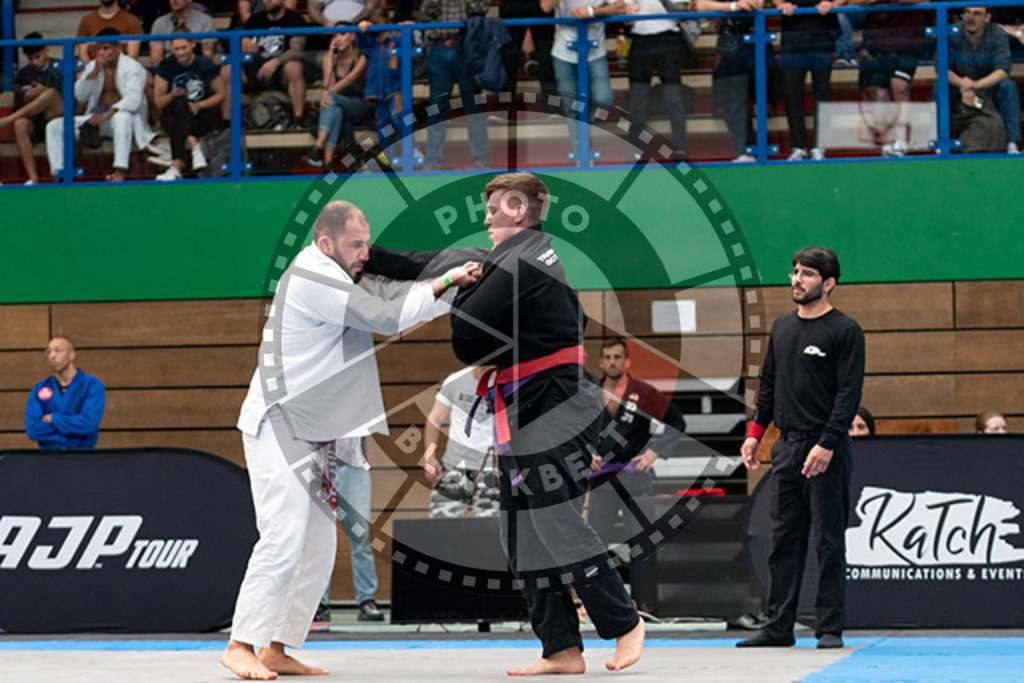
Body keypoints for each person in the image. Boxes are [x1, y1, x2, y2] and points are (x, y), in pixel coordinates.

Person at [219, 200, 480, 680]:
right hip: (281, 423)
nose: (366, 253)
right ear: (325, 243)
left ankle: (277, 647)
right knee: (283, 535)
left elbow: (399, 307)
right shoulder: (312, 276)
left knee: (318, 547)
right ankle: (240, 643)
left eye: (366, 242)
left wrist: (449, 289)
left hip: (318, 429)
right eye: (356, 244)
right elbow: (385, 317)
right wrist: (446, 280)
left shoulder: (339, 274)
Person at [449, 172, 645, 675]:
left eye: (494, 209)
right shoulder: (526, 271)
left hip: (557, 403)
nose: (486, 219)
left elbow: (470, 333)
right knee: (520, 533)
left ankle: (625, 622)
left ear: (520, 210)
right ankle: (560, 648)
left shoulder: (532, 261)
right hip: (525, 406)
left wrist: (455, 290)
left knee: (555, 518)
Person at [737, 246, 864, 650]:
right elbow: (769, 385)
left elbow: (848, 396)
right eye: (794, 271)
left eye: (807, 273)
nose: (796, 279)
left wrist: (827, 444)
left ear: (829, 283)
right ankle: (779, 626)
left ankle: (829, 627)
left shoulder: (845, 331)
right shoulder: (781, 327)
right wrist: (755, 433)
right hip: (787, 448)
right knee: (783, 542)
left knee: (828, 541)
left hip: (827, 450)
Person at [588, 337, 685, 611]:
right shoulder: (589, 394)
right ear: (600, 362)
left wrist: (654, 452)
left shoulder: (642, 393)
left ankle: (645, 602)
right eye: (608, 357)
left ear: (627, 361)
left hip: (635, 477)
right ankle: (598, 602)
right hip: (601, 479)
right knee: (595, 542)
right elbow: (572, 429)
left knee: (641, 541)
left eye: (617, 357)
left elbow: (676, 420)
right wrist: (585, 452)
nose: (612, 362)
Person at [45, 28, 158, 183]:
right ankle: (60, 174)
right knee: (54, 126)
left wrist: (106, 115)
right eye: (99, 48)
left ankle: (119, 172)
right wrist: (95, 72)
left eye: (106, 48)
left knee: (123, 117)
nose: (102, 53)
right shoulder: (93, 66)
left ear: (118, 47)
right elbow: (80, 95)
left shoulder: (132, 67)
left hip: (119, 121)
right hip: (95, 118)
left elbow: (133, 100)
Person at [541, 0, 637, 154]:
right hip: (563, 52)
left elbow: (622, 7)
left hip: (595, 51)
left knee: (603, 99)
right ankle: (582, 153)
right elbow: (546, 6)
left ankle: (586, 122)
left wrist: (591, 11)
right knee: (571, 107)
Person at [311, 437, 384, 631]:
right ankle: (319, 602)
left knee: (361, 537)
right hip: (319, 463)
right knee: (319, 539)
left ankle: (367, 599)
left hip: (354, 465)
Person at [416, 0, 491, 170]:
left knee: (473, 106)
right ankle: (433, 160)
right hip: (439, 47)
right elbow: (425, 11)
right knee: (437, 107)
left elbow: (480, 7)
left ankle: (481, 159)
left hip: (466, 46)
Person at [423, 366, 500, 518]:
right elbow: (434, 419)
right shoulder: (456, 380)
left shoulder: (505, 383)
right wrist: (429, 457)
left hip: (491, 468)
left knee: (491, 528)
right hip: (454, 466)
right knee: (440, 526)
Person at [855, 0, 930, 158]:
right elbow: (854, 2)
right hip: (876, 42)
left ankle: (900, 142)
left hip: (907, 42)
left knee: (900, 87)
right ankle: (886, 143)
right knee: (878, 94)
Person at [153, 28, 226, 180]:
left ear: (193, 44)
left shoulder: (204, 64)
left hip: (199, 116)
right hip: (172, 115)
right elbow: (158, 102)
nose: (180, 53)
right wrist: (172, 94)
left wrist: (199, 105)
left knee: (178, 116)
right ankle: (195, 147)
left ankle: (176, 166)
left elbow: (221, 94)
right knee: (179, 102)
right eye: (176, 49)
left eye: (183, 48)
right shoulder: (167, 65)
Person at [946, 6, 1021, 154]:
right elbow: (942, 69)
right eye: (967, 13)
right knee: (939, 88)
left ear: (987, 18)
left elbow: (1002, 70)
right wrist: (963, 85)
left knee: (1008, 87)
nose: (970, 18)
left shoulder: (997, 33)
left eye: (977, 14)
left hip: (988, 86)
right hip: (959, 87)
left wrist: (975, 85)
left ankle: (1012, 144)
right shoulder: (951, 33)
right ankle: (941, 143)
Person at [776, 0, 844, 161]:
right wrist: (780, 4)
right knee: (791, 91)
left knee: (822, 91)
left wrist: (833, 4)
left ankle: (820, 146)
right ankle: (798, 147)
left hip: (822, 33)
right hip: (792, 34)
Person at [698, 0, 764, 162]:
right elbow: (701, 5)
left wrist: (724, 8)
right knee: (734, 100)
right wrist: (732, 7)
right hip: (729, 46)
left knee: (761, 96)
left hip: (756, 39)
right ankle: (743, 151)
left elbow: (756, 4)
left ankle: (760, 150)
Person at [625, 0, 688, 159]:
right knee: (638, 99)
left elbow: (684, 10)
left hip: (669, 40)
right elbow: (625, 19)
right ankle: (636, 150)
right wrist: (628, 12)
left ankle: (680, 148)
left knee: (674, 98)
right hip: (640, 40)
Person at [242, 0, 318, 127]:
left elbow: (296, 50)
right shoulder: (255, 20)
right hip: (256, 68)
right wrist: (245, 45)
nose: (267, 1)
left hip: (282, 70)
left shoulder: (294, 19)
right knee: (229, 71)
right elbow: (243, 41)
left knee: (294, 67)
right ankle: (231, 124)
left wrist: (275, 62)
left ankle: (298, 120)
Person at [0, 34, 63, 185]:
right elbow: (19, 103)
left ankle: (7, 120)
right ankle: (33, 178)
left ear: (47, 49)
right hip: (37, 121)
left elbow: (71, 99)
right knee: (20, 124)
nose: (35, 62)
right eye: (31, 59)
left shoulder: (62, 67)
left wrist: (44, 91)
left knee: (50, 93)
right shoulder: (24, 73)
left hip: (58, 116)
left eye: (38, 56)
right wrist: (25, 98)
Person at [301, 28, 367, 168]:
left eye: (342, 34)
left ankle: (318, 147)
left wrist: (329, 93)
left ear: (352, 36)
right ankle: (327, 163)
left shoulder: (361, 56)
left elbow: (349, 79)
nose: (338, 38)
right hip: (337, 106)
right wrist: (330, 58)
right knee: (336, 111)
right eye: (335, 35)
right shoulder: (330, 58)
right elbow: (327, 85)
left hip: (357, 104)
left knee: (331, 99)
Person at [25, 336, 106, 450]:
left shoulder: (92, 385)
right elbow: (33, 429)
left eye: (58, 350)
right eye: (48, 352)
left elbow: (88, 424)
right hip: (48, 456)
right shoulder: (40, 388)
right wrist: (72, 434)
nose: (52, 356)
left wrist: (54, 419)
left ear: (71, 355)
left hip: (82, 456)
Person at [149, 0, 217, 66]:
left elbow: (207, 55)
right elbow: (156, 56)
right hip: (168, 68)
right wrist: (161, 72)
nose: (174, 0)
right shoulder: (159, 23)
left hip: (197, 68)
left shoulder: (205, 21)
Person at [76, 0, 144, 63]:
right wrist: (94, 70)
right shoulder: (86, 20)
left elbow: (132, 56)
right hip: (95, 69)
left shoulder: (132, 20)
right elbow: (83, 54)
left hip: (124, 70)